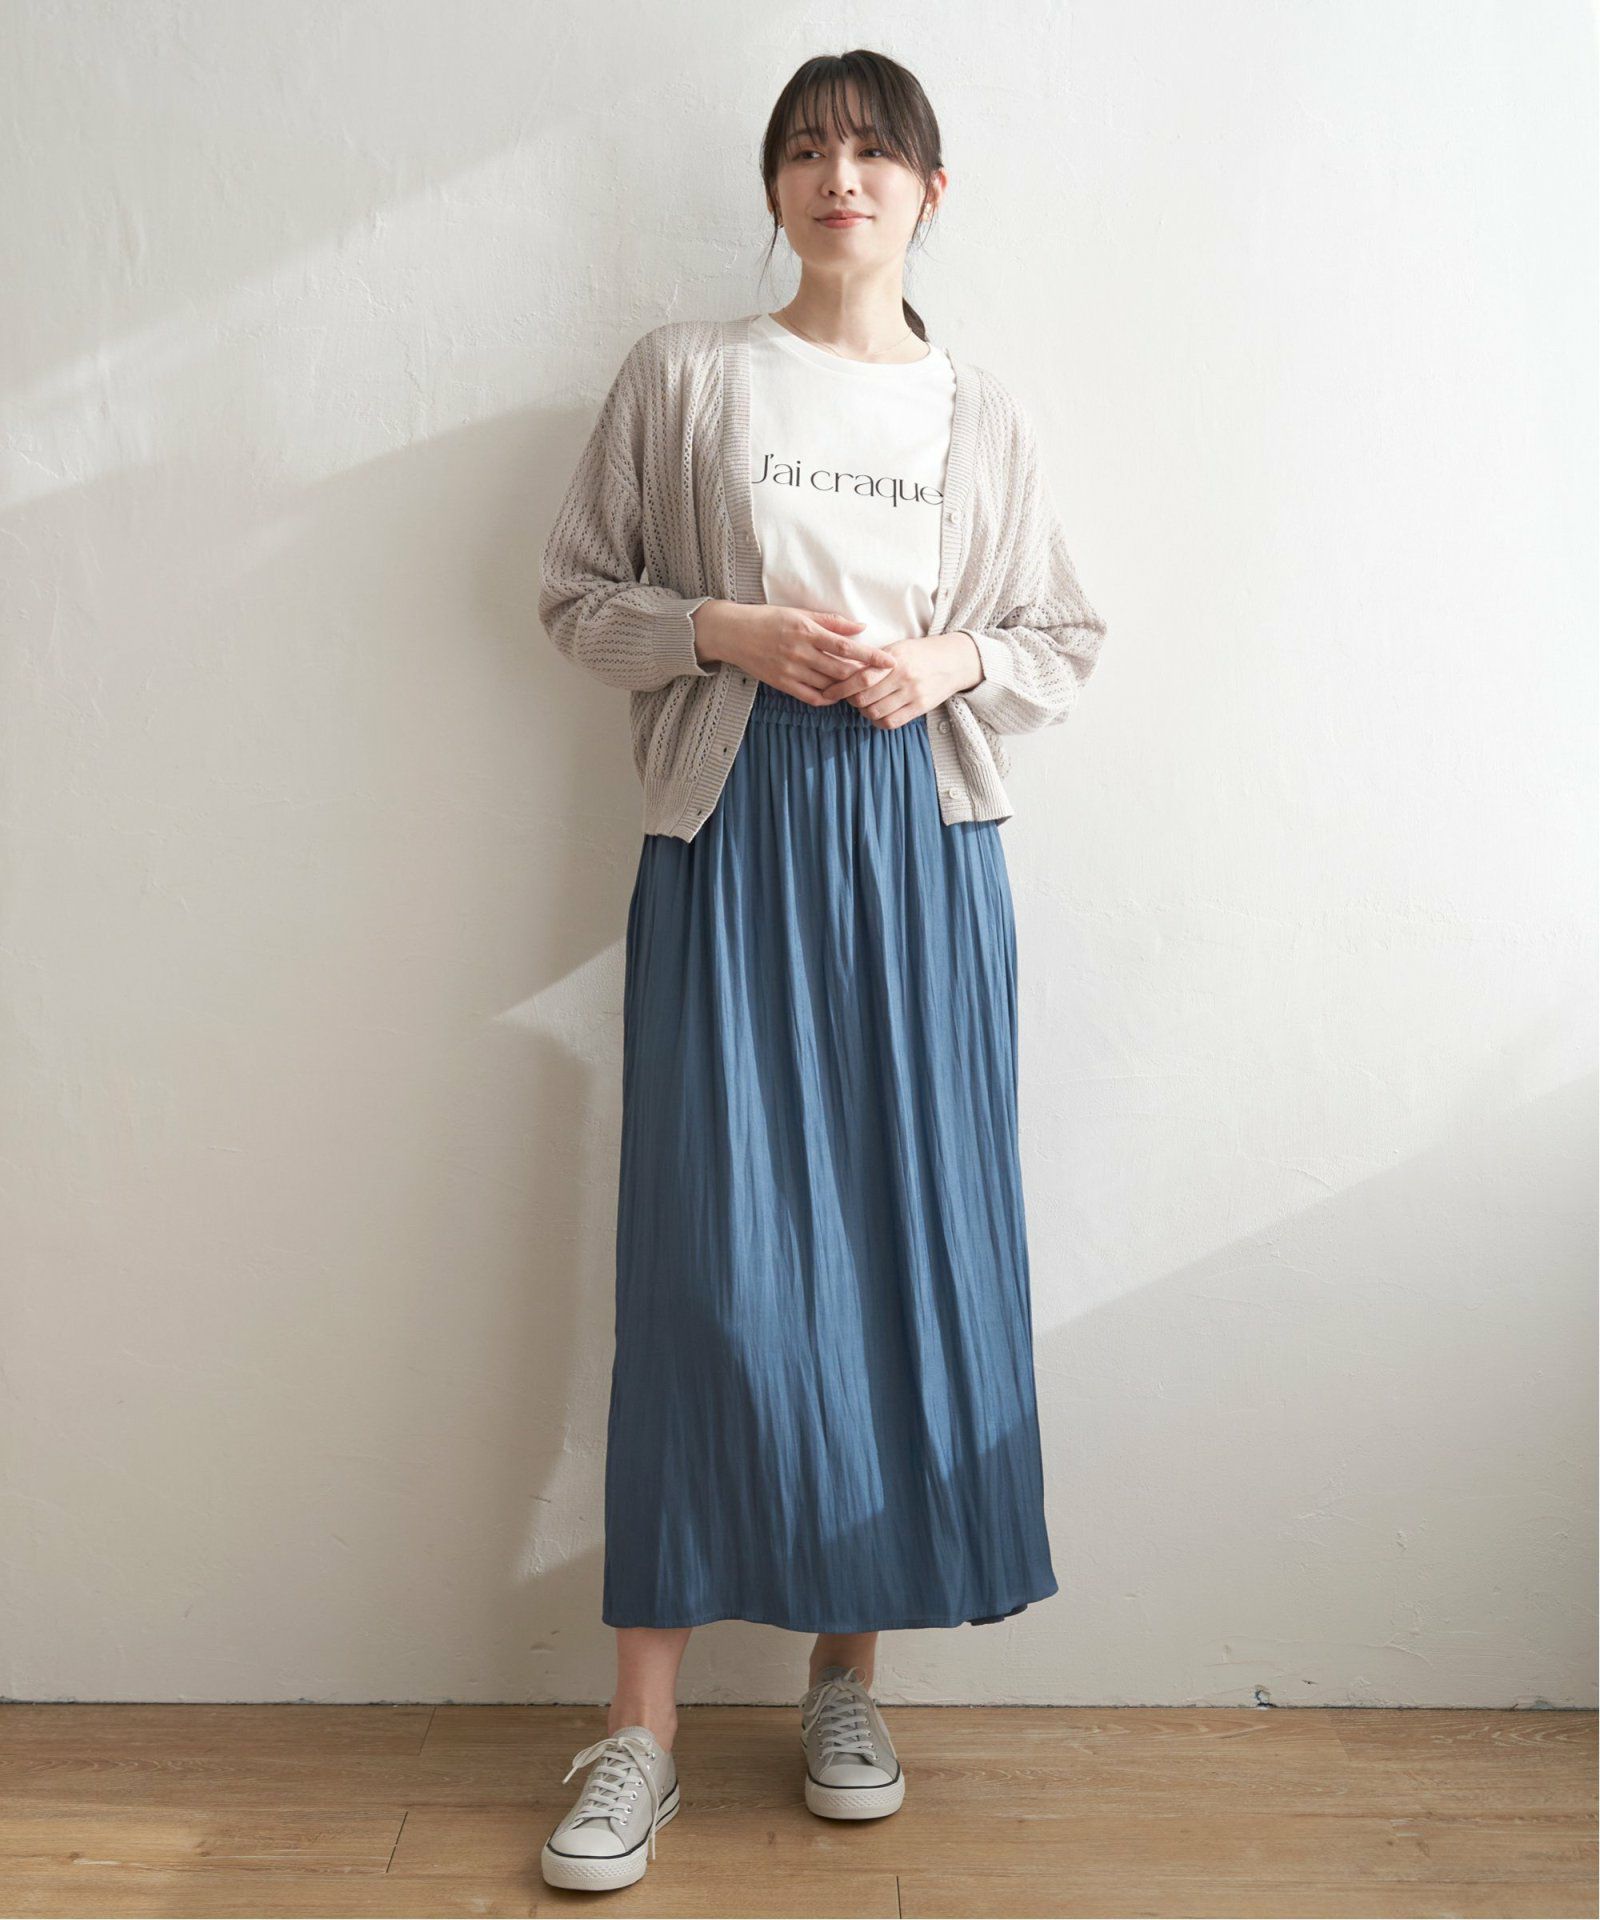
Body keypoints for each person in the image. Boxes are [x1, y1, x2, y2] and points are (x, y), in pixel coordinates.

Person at [535, 47, 1108, 1893]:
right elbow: (575, 596)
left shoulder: (978, 411)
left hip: (922, 852)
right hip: (733, 836)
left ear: (930, 189)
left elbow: (1061, 633)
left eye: (870, 150)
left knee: (895, 1250)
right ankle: (639, 1736)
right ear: (774, 188)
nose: (835, 175)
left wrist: (949, 663)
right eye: (804, 149)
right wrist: (725, 628)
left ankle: (847, 1685)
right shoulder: (687, 377)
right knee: (703, 1263)